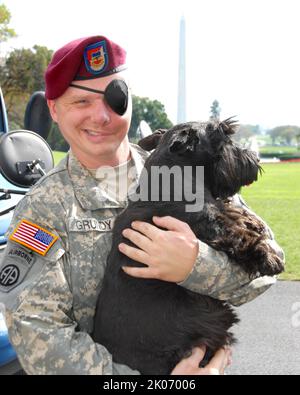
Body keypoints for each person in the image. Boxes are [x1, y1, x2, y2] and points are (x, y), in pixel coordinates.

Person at [0, 35, 284, 375]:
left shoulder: (185, 166)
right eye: (80, 102)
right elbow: (40, 339)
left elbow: (266, 270)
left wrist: (194, 264)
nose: (101, 115)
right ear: (53, 109)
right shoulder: (42, 209)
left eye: (115, 98)